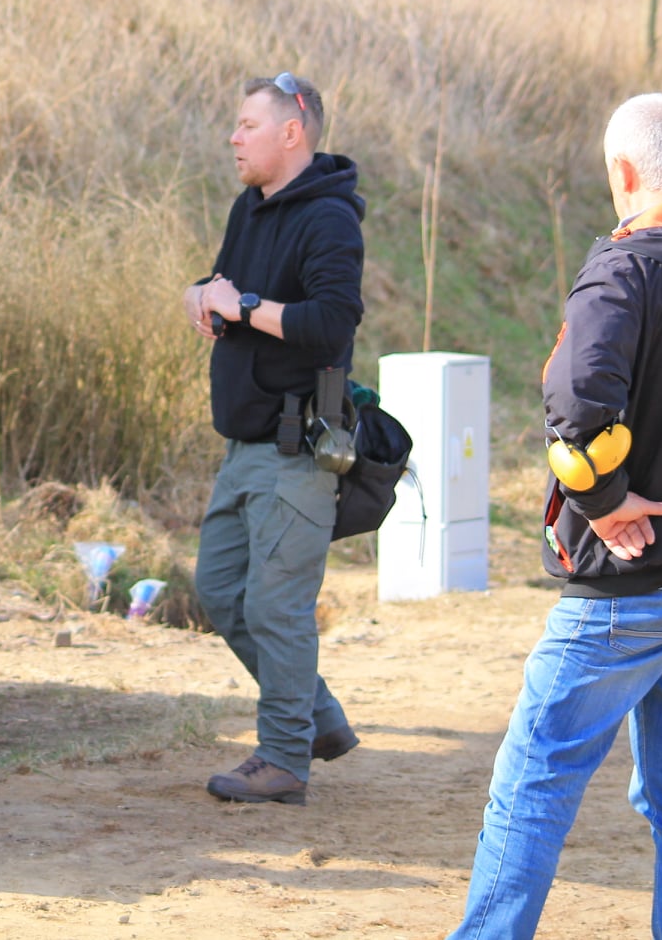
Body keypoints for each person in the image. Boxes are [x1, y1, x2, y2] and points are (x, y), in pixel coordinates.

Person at [452, 93, 662, 939]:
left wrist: (603, 503)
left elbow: (574, 402)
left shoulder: (625, 267)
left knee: (533, 777)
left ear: (624, 173)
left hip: (627, 588)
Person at [182, 72, 365, 805]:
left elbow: (330, 323)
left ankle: (285, 757)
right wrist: (203, 293)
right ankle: (315, 717)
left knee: (277, 608)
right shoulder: (249, 208)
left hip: (298, 448)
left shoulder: (330, 220)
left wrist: (245, 306)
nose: (234, 136)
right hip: (245, 445)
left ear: (292, 132)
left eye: (247, 124)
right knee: (222, 589)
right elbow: (227, 285)